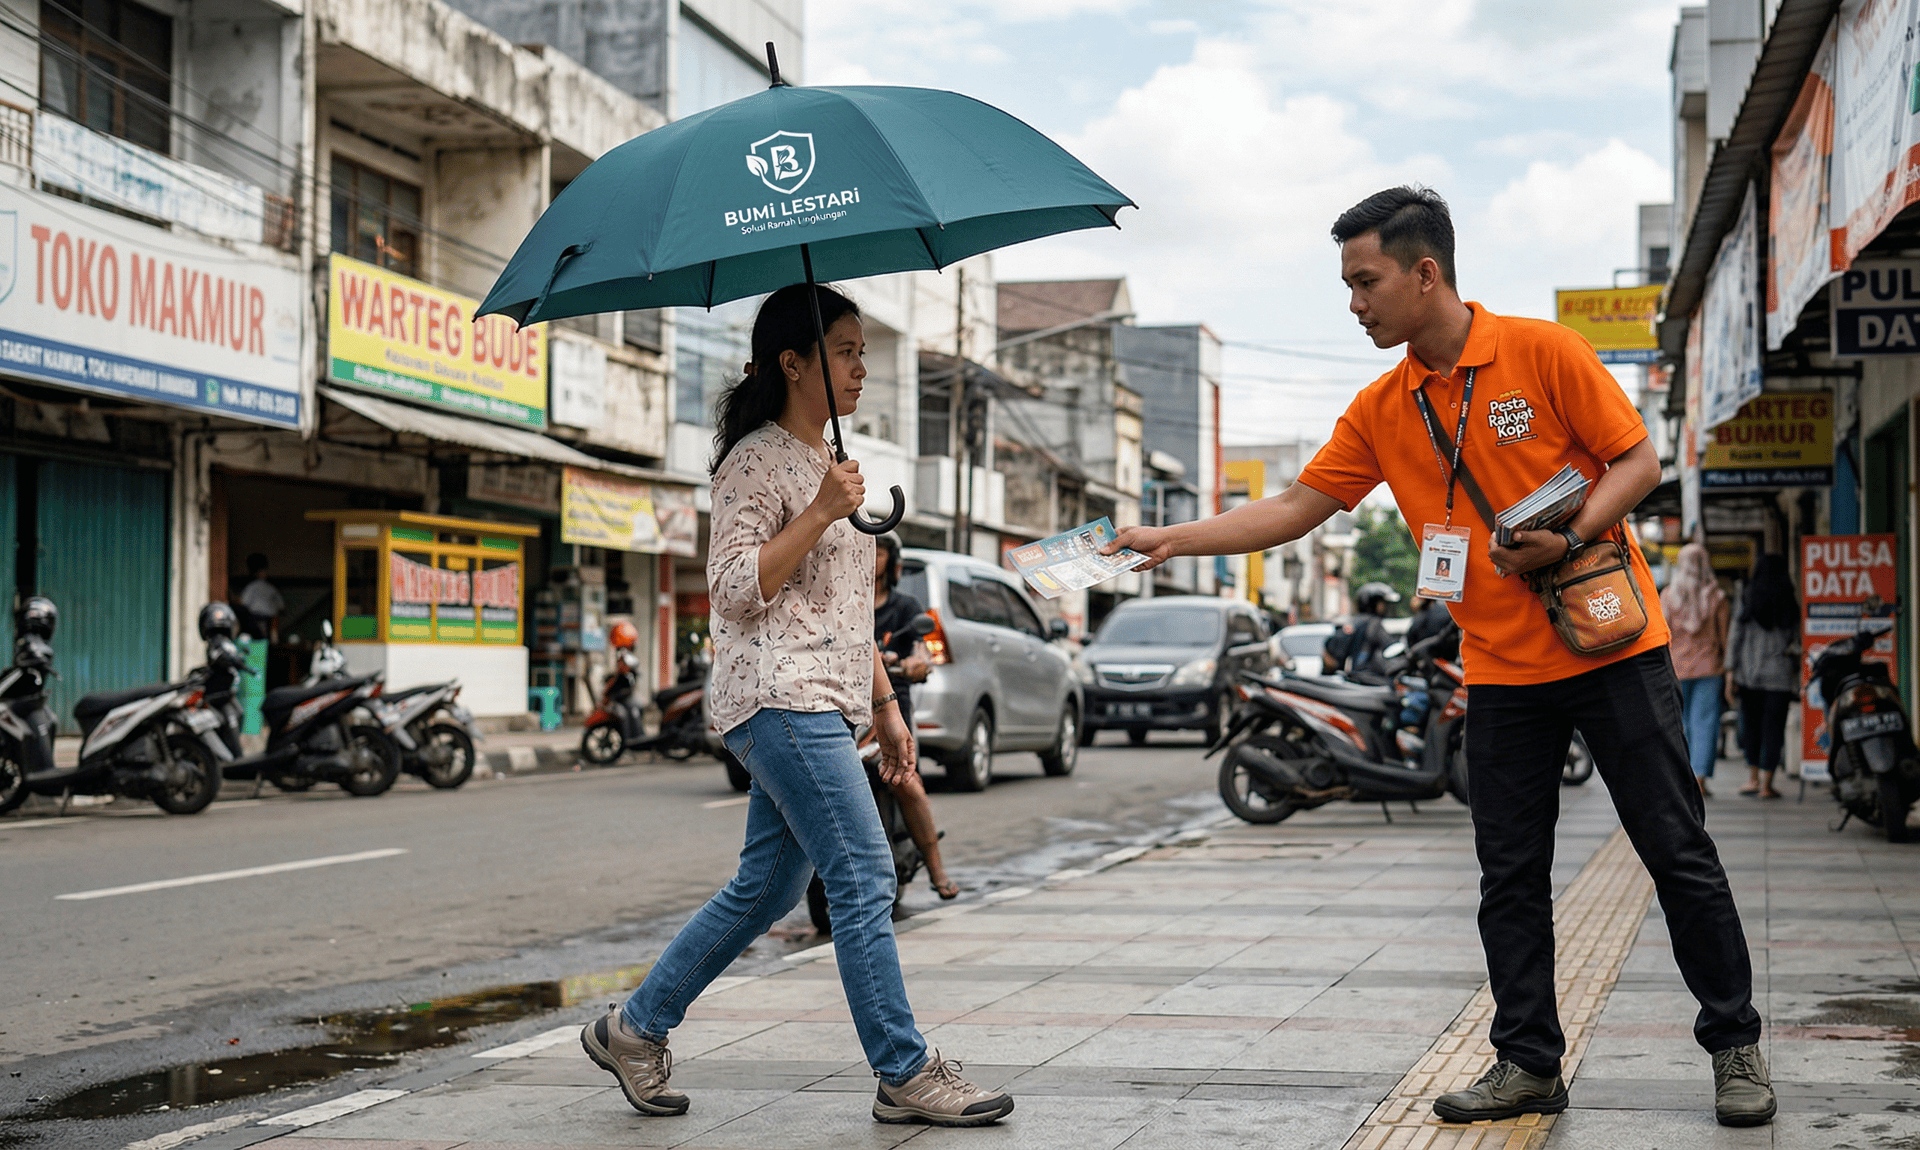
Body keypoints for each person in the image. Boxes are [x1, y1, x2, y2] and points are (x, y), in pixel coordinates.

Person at [1105, 187, 1771, 1128]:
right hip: (1499, 672)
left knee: (1676, 852)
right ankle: (1528, 1061)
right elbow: (1297, 506)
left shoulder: (1544, 351)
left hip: (1611, 649)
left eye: (1366, 281)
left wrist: (1570, 530)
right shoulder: (1383, 406)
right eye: (1347, 284)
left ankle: (1735, 1046)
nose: (1354, 303)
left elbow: (1638, 462)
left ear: (1427, 274)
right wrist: (1175, 539)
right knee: (1509, 877)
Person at [581, 283, 1013, 1129]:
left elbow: (845, 615)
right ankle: (904, 1069)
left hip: (827, 695)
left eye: (860, 351)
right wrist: (819, 512)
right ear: (793, 362)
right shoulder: (755, 461)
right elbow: (735, 590)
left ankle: (634, 1029)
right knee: (863, 870)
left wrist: (887, 709)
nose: (860, 368)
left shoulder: (834, 467)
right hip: (776, 696)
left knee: (768, 886)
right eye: (845, 350)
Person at [872, 533, 960, 899]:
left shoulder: (905, 607)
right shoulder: (845, 601)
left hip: (892, 707)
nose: (869, 560)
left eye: (877, 553)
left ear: (892, 564)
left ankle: (937, 871)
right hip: (844, 708)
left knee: (906, 781)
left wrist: (912, 664)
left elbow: (924, 655)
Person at [1726, 555, 1799, 800]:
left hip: (1750, 674)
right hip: (1779, 675)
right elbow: (1796, 638)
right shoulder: (1789, 599)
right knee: (1774, 729)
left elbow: (1735, 635)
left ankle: (1752, 779)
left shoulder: (1747, 597)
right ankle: (1767, 784)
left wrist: (1730, 671)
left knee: (1752, 727)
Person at [1662, 543, 1732, 797]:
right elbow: (1725, 639)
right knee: (1705, 723)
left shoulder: (1669, 596)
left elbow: (1663, 636)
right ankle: (1700, 778)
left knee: (1679, 724)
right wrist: (1729, 672)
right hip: (1709, 669)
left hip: (1676, 669)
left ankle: (1682, 778)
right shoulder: (1717, 597)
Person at [1324, 580, 1398, 680]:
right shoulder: (1373, 623)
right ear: (1371, 603)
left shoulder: (1355, 622)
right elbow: (1390, 646)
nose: (1384, 607)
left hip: (1349, 679)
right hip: (1365, 679)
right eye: (1381, 603)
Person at [238, 553, 284, 641]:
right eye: (261, 571)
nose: (263, 573)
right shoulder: (252, 587)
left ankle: (273, 643)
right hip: (256, 622)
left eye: (264, 571)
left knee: (265, 640)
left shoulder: (269, 588)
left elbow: (281, 606)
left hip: (269, 623)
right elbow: (244, 604)